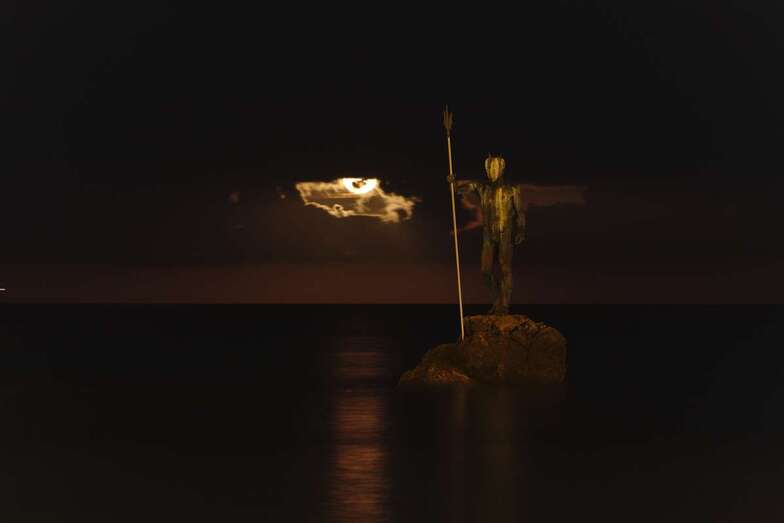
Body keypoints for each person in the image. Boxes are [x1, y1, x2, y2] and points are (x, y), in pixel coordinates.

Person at [447, 155, 525, 314]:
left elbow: (520, 212)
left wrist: (520, 230)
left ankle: (504, 305)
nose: (492, 171)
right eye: (489, 168)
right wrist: (453, 182)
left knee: (505, 269)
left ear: (501, 169)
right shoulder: (482, 188)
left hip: (506, 232)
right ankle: (497, 300)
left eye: (495, 168)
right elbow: (460, 189)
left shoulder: (512, 190)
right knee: (485, 270)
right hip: (488, 235)